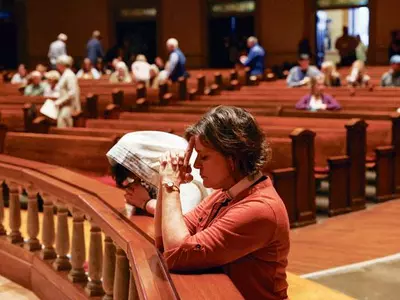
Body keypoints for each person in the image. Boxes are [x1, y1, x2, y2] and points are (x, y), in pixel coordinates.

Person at [156, 106, 290, 299]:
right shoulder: (224, 193)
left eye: (204, 156)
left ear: (232, 158)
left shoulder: (259, 209)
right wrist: (165, 181)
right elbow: (164, 240)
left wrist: (171, 184)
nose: (195, 165)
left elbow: (177, 255)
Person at [106, 131, 209, 216]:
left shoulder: (187, 176)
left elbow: (184, 217)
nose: (140, 181)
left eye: (139, 175)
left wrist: (146, 203)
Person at [54, 55, 81, 128]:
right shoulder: (65, 74)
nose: (57, 66)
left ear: (62, 65)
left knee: (63, 124)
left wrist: (60, 101)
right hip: (64, 105)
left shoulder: (69, 75)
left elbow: (72, 92)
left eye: (58, 64)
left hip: (69, 106)